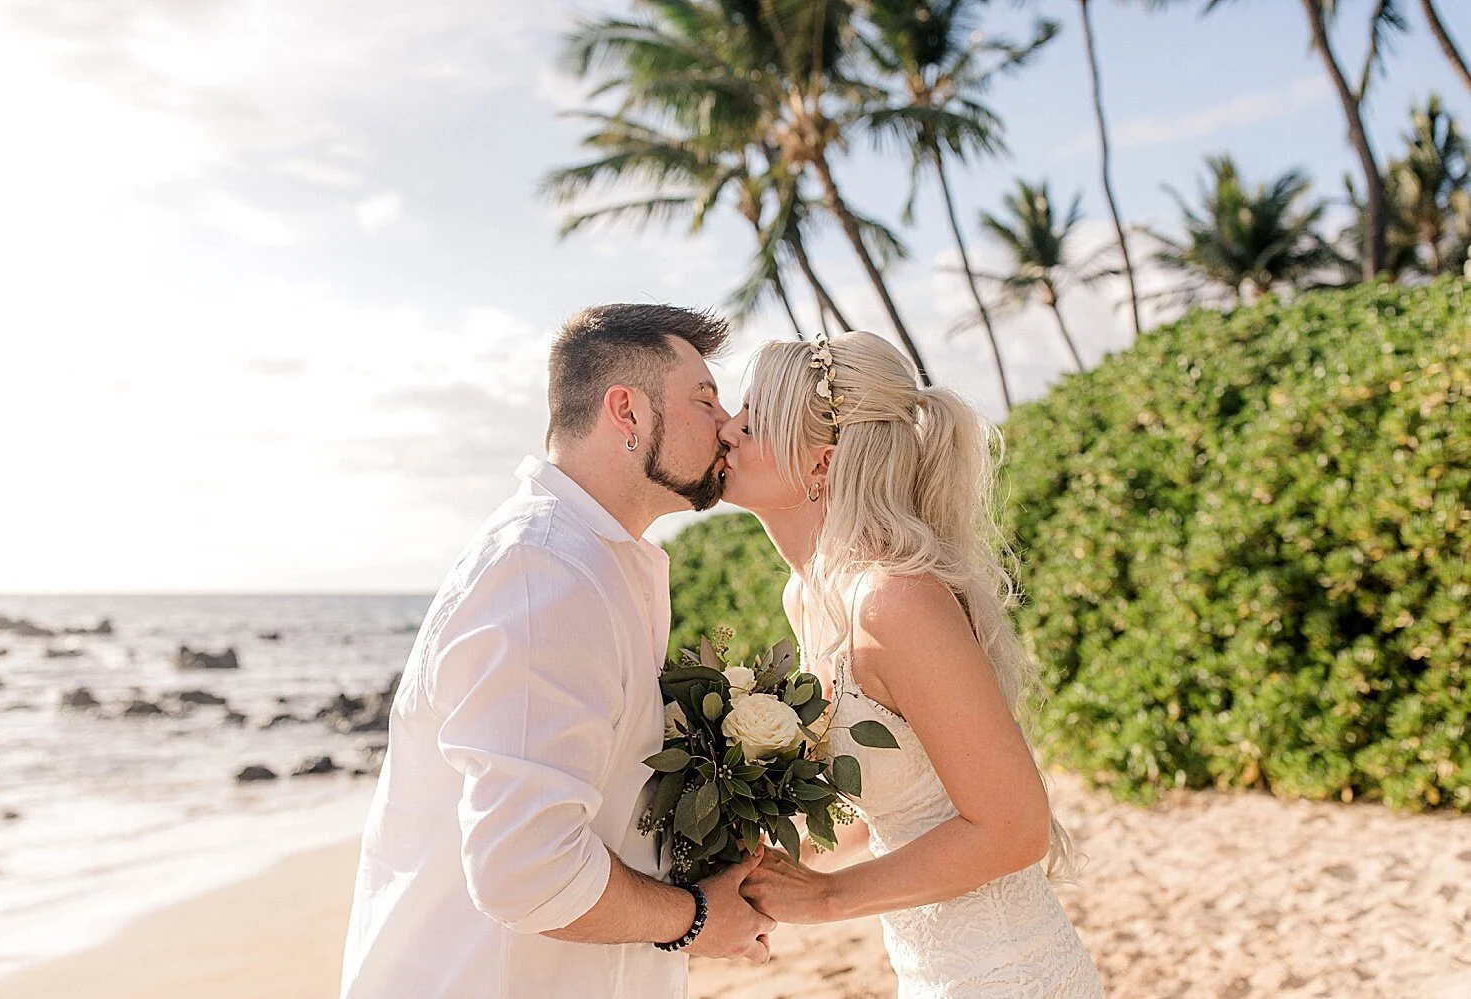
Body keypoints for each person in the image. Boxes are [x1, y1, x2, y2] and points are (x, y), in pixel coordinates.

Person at [340, 304, 775, 999]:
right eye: (704, 399)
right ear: (626, 412)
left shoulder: (599, 562)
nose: (725, 423)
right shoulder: (545, 573)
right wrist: (696, 919)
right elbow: (525, 867)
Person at [718, 331, 1105, 998]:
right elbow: (902, 802)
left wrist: (829, 897)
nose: (725, 432)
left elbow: (1015, 827)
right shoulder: (808, 595)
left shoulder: (894, 600)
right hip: (932, 967)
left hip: (1007, 971)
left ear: (821, 464)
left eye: (751, 423)